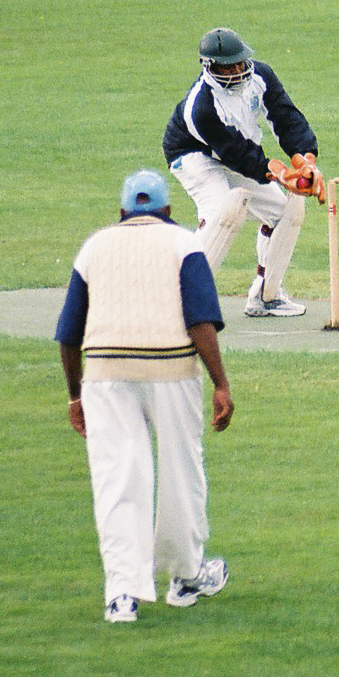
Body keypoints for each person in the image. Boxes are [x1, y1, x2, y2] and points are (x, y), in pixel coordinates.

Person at [56, 169, 234, 624]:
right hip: (171, 369)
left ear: (120, 213)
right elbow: (200, 322)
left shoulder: (95, 246)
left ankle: (121, 595)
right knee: (180, 471)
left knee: (117, 480)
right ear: (169, 211)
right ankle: (185, 576)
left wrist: (75, 396)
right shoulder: (184, 244)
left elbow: (69, 334)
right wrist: (221, 383)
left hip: (104, 375)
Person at [163, 26, 325, 317]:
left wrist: (305, 161)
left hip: (237, 154)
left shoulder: (260, 76)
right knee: (222, 213)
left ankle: (266, 296)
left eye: (241, 61)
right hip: (192, 155)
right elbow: (235, 152)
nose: (239, 69)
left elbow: (287, 118)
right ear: (210, 66)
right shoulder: (200, 107)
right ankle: (179, 301)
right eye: (229, 66)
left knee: (283, 211)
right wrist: (279, 172)